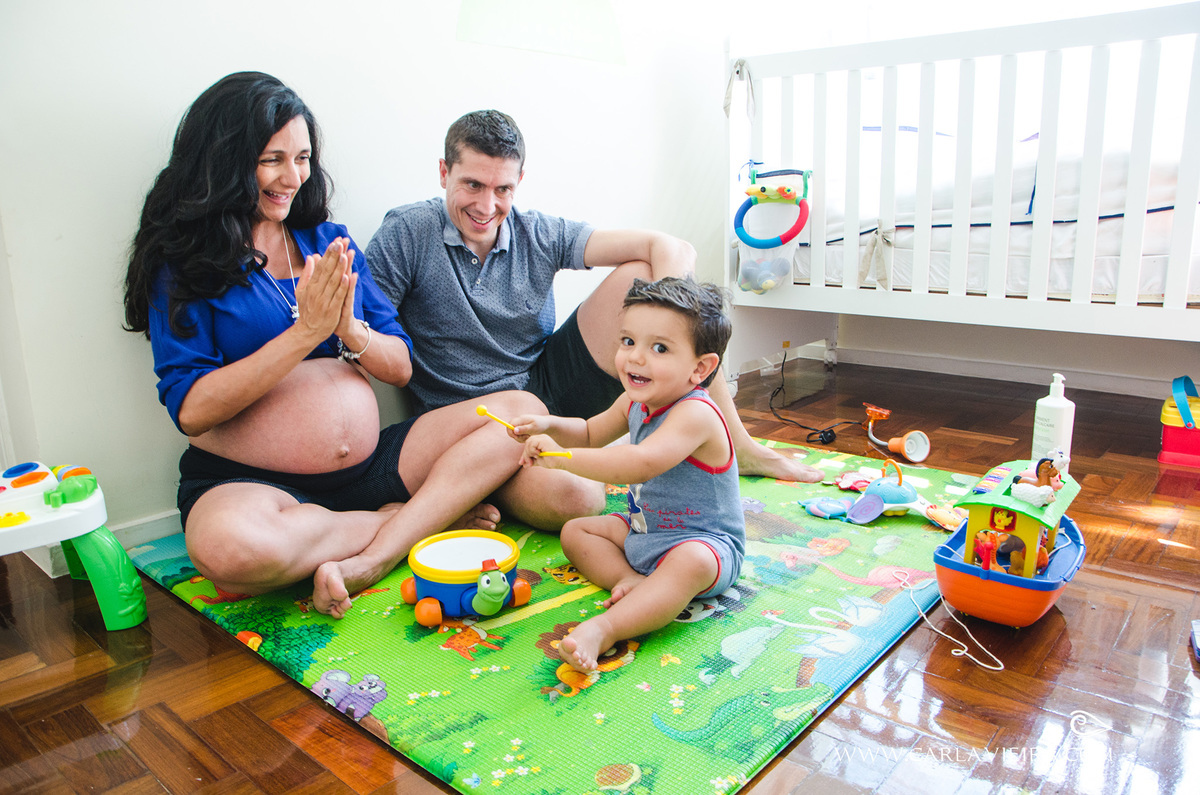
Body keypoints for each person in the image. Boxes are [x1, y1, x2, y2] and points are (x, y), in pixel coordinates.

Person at [123, 72, 547, 619]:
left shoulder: (329, 242)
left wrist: (348, 329)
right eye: (272, 159)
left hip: (371, 468)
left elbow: (398, 366)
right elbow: (193, 410)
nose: (292, 177)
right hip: (254, 485)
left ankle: (375, 547)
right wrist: (305, 334)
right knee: (229, 551)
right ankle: (417, 521)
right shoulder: (184, 264)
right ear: (225, 160)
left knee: (523, 413)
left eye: (301, 158)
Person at [365, 110, 821, 530]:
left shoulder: (535, 230)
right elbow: (362, 330)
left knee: (644, 276)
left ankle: (735, 441)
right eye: (472, 186)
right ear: (444, 173)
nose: (487, 206)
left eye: (502, 189)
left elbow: (675, 250)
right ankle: (457, 494)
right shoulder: (406, 232)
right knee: (580, 499)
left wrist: (672, 325)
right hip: (477, 420)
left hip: (543, 382)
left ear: (519, 181)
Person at [511, 277, 745, 672]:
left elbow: (640, 462)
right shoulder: (634, 401)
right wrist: (548, 424)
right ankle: (630, 582)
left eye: (659, 348)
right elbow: (589, 432)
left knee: (692, 562)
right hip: (644, 531)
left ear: (700, 368)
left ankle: (606, 629)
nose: (635, 358)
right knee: (576, 531)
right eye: (628, 341)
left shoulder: (696, 414)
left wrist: (562, 459)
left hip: (703, 542)